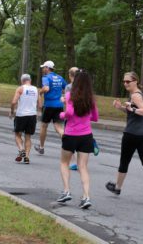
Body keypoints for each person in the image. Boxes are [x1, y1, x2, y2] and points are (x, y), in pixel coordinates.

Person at [106, 71, 143, 205]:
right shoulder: (137, 94)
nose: (125, 83)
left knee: (124, 162)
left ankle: (118, 188)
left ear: (135, 81)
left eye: (128, 81)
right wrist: (120, 107)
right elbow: (133, 112)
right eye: (124, 81)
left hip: (132, 134)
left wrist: (131, 109)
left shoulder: (136, 95)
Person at [57, 70, 98, 209]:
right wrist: (85, 117)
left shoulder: (70, 95)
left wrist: (62, 115)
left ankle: (66, 191)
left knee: (64, 162)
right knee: (83, 167)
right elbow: (95, 117)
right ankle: (86, 196)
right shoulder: (91, 99)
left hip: (71, 135)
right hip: (86, 135)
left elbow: (69, 113)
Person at [35, 61, 67, 155]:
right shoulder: (60, 78)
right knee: (58, 127)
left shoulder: (46, 77)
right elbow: (66, 89)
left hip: (49, 105)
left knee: (44, 126)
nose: (42, 69)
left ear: (47, 68)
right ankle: (67, 142)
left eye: (43, 67)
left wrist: (40, 92)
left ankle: (41, 147)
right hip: (59, 105)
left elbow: (46, 89)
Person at [11, 73, 39, 164]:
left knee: (17, 134)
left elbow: (14, 102)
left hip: (21, 115)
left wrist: (12, 112)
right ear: (30, 80)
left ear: (22, 81)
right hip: (32, 115)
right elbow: (40, 104)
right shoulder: (36, 89)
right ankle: (26, 157)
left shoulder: (20, 88)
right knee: (28, 137)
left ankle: (21, 149)